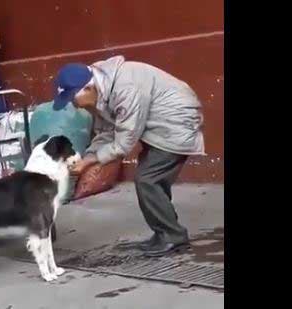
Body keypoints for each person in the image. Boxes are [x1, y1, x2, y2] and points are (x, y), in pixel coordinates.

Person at [52, 55, 205, 257]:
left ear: (88, 89)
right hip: (156, 125)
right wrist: (87, 158)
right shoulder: (102, 89)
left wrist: (90, 161)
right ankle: (165, 233)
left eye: (73, 99)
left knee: (148, 179)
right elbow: (107, 131)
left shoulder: (126, 89)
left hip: (176, 122)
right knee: (151, 179)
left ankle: (172, 237)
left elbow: (123, 143)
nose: (75, 105)